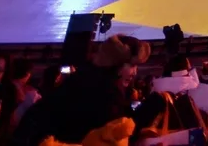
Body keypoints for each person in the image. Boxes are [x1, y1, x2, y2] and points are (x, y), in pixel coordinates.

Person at [13, 35, 149, 146]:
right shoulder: (106, 92)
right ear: (116, 64)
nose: (134, 72)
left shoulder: (82, 78)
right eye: (132, 65)